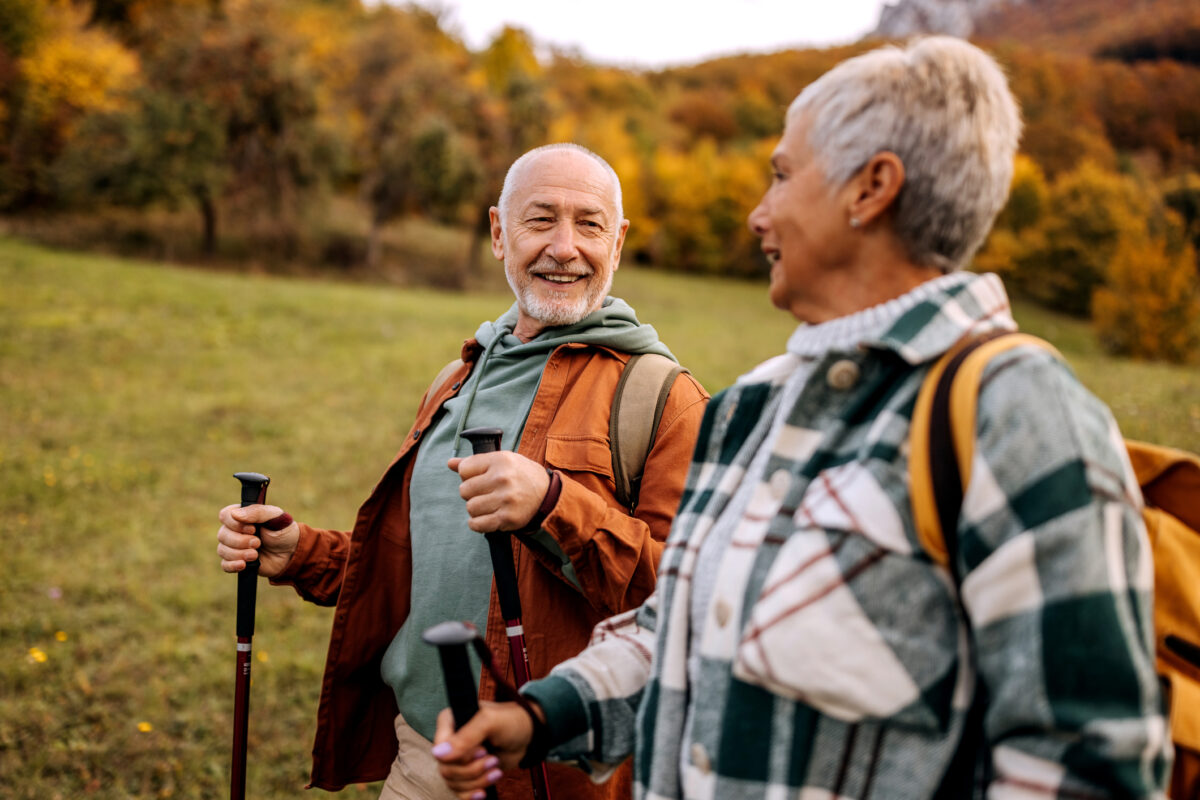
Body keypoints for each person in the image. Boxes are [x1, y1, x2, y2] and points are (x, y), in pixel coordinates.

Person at [431, 37, 1171, 799]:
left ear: (871, 188)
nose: (758, 214)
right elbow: (681, 628)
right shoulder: (754, 406)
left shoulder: (1017, 415)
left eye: (783, 176)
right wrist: (540, 717)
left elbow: (1084, 763)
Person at [216, 143, 709, 800]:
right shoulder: (456, 380)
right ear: (499, 233)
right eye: (541, 220)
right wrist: (302, 553)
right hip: (425, 752)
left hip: (556, 777)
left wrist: (551, 505)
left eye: (588, 224)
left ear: (616, 242)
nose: (565, 247)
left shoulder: (665, 400)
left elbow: (687, 604)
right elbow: (420, 568)